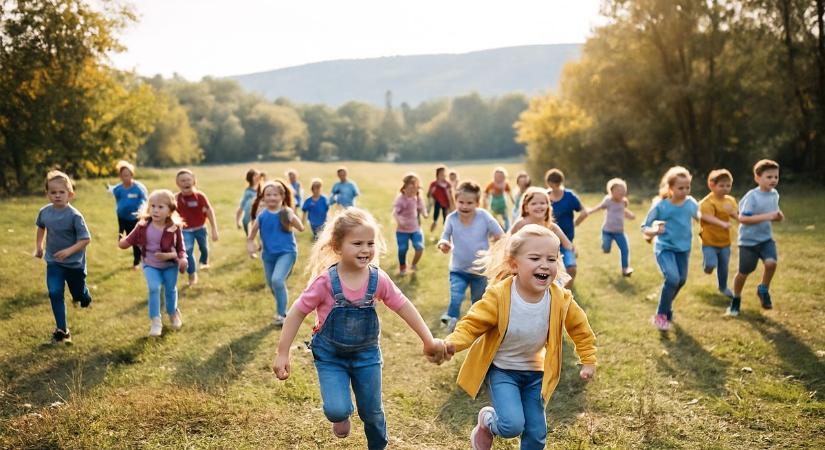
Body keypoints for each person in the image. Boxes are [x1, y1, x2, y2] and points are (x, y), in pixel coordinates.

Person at [272, 208, 447, 450]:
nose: (365, 249)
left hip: (367, 356)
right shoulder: (325, 282)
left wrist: (427, 340)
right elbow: (297, 312)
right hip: (330, 357)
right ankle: (342, 414)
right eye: (357, 243)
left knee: (372, 412)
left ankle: (378, 446)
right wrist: (283, 352)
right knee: (335, 409)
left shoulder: (378, 279)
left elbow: (404, 306)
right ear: (337, 246)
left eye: (370, 243)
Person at [440, 224, 597, 450]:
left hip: (536, 373)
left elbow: (581, 329)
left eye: (551, 259)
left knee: (535, 432)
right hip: (503, 370)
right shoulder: (500, 295)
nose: (545, 265)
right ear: (514, 264)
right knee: (512, 425)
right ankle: (487, 421)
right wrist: (452, 343)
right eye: (535, 258)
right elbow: (472, 324)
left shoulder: (560, 299)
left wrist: (588, 359)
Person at [641, 166, 729, 331]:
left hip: (683, 249)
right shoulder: (661, 206)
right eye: (680, 188)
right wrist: (654, 231)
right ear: (670, 188)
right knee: (673, 279)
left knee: (681, 281)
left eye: (687, 187)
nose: (685, 191)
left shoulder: (690, 203)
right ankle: (660, 316)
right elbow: (644, 226)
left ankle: (666, 307)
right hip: (664, 248)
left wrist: (714, 224)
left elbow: (701, 218)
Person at [34, 170, 92, 344]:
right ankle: (62, 331)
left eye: (61, 192)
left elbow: (85, 239)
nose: (57, 196)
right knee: (54, 292)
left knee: (78, 294)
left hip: (74, 264)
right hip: (54, 262)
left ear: (70, 194)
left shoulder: (74, 216)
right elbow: (41, 227)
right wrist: (39, 246)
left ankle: (84, 295)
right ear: (47, 194)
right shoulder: (44, 212)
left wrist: (69, 251)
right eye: (53, 192)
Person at [119, 190, 187, 337]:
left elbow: (181, 249)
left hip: (170, 265)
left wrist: (182, 259)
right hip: (150, 264)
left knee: (170, 289)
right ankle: (156, 321)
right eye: (153, 206)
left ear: (170, 210)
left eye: (160, 207)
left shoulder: (174, 228)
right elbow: (129, 240)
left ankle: (173, 312)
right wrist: (122, 242)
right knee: (154, 288)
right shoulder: (142, 226)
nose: (155, 210)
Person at [438, 181, 504, 332]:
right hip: (458, 269)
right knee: (456, 296)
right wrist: (443, 244)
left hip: (480, 271)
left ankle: (475, 326)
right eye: (461, 202)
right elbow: (445, 236)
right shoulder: (452, 218)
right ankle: (451, 319)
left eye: (469, 203)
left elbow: (500, 234)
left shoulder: (484, 217)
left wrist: (497, 246)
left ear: (477, 202)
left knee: (478, 301)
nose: (464, 206)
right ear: (456, 201)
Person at [247, 180, 305, 327]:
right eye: (268, 195)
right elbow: (252, 234)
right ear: (263, 197)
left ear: (282, 196)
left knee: (277, 280)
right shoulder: (262, 215)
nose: (272, 197)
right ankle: (284, 307)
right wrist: (251, 245)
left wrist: (292, 217)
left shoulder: (286, 212)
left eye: (275, 194)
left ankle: (283, 315)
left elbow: (301, 228)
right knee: (272, 284)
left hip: (287, 253)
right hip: (268, 256)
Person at [729, 160, 783, 316]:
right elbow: (743, 219)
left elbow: (774, 212)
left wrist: (778, 216)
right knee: (744, 272)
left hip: (766, 239)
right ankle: (736, 298)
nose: (773, 180)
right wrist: (768, 216)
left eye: (776, 177)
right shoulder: (752, 197)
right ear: (757, 178)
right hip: (748, 242)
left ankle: (763, 289)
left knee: (771, 263)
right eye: (769, 177)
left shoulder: (774, 194)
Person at [510, 187, 576, 283]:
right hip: (527, 265)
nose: (539, 206)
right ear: (526, 207)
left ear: (548, 206)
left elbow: (567, 244)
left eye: (542, 203)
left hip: (549, 265)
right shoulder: (521, 224)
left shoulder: (551, 227)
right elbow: (509, 243)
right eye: (534, 203)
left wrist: (571, 250)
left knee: (555, 288)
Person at [576, 178, 636, 276]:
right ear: (611, 191)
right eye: (619, 191)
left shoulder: (623, 202)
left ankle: (625, 269)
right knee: (606, 249)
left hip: (619, 232)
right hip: (607, 231)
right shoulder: (608, 200)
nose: (621, 193)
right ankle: (605, 246)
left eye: (623, 191)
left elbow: (623, 211)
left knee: (625, 249)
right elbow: (599, 207)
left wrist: (630, 215)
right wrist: (589, 211)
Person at [698, 169, 738, 299]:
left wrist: (744, 219)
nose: (725, 189)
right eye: (721, 186)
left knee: (724, 266)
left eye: (728, 186)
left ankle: (723, 287)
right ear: (712, 185)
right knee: (711, 264)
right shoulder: (707, 202)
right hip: (709, 240)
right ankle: (707, 266)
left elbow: (734, 214)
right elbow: (707, 217)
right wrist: (722, 224)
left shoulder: (730, 200)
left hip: (725, 241)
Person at [175, 169, 219, 286]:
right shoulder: (176, 199)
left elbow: (210, 211)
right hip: (185, 230)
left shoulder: (200, 196)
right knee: (188, 252)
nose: (186, 182)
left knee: (204, 248)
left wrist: (214, 229)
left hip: (200, 228)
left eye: (188, 180)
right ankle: (192, 274)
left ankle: (204, 261)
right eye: (182, 180)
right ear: (178, 184)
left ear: (194, 181)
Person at [545, 168, 586, 283]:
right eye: (553, 184)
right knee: (554, 271)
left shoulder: (569, 196)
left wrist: (575, 224)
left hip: (566, 240)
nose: (554, 186)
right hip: (548, 242)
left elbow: (584, 212)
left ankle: (568, 293)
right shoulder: (544, 197)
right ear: (548, 183)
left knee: (571, 268)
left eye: (556, 183)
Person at [107, 160, 147, 270]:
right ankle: (121, 243)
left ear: (132, 175)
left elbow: (144, 200)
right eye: (123, 175)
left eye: (128, 175)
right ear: (120, 176)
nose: (126, 177)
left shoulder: (138, 188)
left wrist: (141, 209)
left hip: (134, 218)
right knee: (121, 233)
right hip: (121, 217)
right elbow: (117, 198)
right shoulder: (118, 189)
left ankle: (136, 262)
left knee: (135, 240)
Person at [393, 173, 428, 275]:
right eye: (411, 188)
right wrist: (399, 221)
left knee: (419, 247)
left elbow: (421, 207)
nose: (413, 191)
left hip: (415, 228)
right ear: (405, 187)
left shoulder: (417, 197)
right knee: (403, 249)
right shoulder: (401, 199)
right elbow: (395, 212)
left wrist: (424, 213)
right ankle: (403, 266)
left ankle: (413, 264)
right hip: (402, 230)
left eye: (415, 189)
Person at [235, 168, 261, 236]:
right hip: (248, 220)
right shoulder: (248, 192)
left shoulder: (264, 189)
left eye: (258, 175)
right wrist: (238, 221)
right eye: (255, 175)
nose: (257, 177)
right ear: (250, 178)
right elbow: (241, 207)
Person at [428, 165, 453, 232]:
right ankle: (434, 223)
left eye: (444, 174)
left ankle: (446, 230)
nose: (443, 176)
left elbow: (451, 195)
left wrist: (451, 205)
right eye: (441, 174)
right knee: (436, 214)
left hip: (446, 203)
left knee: (446, 217)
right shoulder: (434, 184)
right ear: (437, 175)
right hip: (437, 202)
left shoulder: (447, 184)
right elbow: (429, 194)